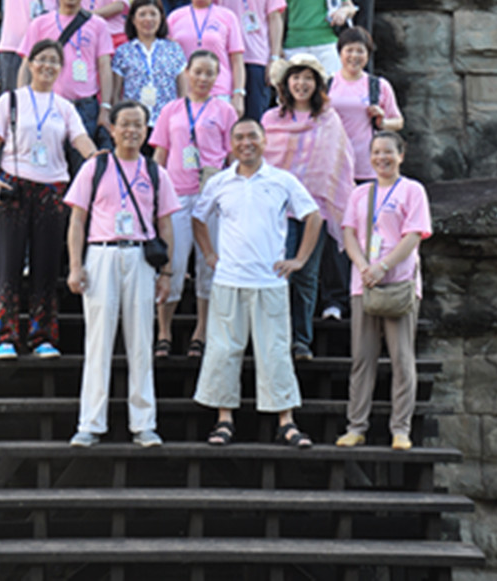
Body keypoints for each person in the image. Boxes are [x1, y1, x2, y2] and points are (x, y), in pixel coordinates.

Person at [192, 118, 321, 447]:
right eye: (239, 137)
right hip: (229, 279)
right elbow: (198, 218)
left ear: (264, 141)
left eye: (252, 136)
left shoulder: (282, 180)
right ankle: (224, 420)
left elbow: (313, 216)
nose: (246, 143)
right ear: (231, 144)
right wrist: (209, 253)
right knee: (223, 350)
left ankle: (286, 421)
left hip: (270, 280)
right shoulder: (220, 182)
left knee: (275, 351)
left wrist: (299, 260)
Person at [66, 101, 179, 448]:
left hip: (140, 257)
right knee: (98, 341)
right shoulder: (95, 167)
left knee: (141, 341)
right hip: (101, 253)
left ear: (147, 131)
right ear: (112, 129)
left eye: (138, 125)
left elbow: (166, 224)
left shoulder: (155, 172)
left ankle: (144, 423)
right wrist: (75, 265)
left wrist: (167, 272)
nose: (131, 131)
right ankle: (90, 423)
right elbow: (77, 220)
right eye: (125, 124)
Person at [0, 39, 97, 358]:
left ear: (61, 69)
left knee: (46, 265)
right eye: (42, 59)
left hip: (52, 189)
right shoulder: (10, 101)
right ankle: (5, 336)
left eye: (54, 61)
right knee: (9, 263)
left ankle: (42, 336)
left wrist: (97, 157)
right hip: (13, 185)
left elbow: (80, 139)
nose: (48, 65)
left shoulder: (64, 107)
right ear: (31, 64)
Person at [336, 131, 432, 451]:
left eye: (388, 152)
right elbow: (349, 233)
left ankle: (400, 428)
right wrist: (364, 266)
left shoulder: (412, 190)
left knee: (402, 358)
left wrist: (383, 266)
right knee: (362, 358)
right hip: (363, 283)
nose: (382, 158)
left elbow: (413, 235)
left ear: (401, 155)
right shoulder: (360, 193)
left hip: (399, 281)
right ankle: (356, 426)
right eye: (376, 152)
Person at [263, 55, 355, 358]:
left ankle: (301, 340)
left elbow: (338, 161)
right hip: (279, 209)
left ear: (316, 84)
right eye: (295, 77)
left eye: (307, 78)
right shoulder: (271, 119)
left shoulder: (328, 119)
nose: (301, 83)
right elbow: (264, 162)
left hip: (315, 209)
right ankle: (275, 339)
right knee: (279, 271)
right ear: (286, 83)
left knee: (307, 274)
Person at [150, 50, 237, 358]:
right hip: (176, 194)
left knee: (208, 264)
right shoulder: (171, 109)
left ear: (217, 77)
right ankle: (164, 330)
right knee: (172, 263)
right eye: (198, 71)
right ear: (187, 72)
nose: (203, 78)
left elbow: (232, 157)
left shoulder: (225, 110)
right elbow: (160, 154)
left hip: (210, 195)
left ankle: (202, 330)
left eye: (209, 73)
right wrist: (153, 194)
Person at [16, 0, 114, 156]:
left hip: (84, 106)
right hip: (48, 103)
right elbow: (26, 65)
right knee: (48, 161)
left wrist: (105, 107)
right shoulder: (40, 24)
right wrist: (23, 101)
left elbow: (104, 67)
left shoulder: (98, 25)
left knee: (82, 162)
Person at [167, 0, 246, 117]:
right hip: (184, 92)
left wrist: (238, 94)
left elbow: (237, 60)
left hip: (219, 90)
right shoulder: (174, 18)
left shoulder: (227, 16)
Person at [328, 27, 404, 184]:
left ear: (368, 55)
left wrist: (382, 122)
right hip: (332, 161)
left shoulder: (378, 85)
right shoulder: (327, 85)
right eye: (349, 50)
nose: (354, 56)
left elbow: (398, 121)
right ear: (340, 53)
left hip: (366, 162)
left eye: (360, 51)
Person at [111, 0, 187, 129]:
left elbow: (183, 91)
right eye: (142, 14)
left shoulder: (174, 49)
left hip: (167, 122)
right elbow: (116, 94)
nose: (148, 19)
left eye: (153, 14)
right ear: (133, 19)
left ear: (161, 18)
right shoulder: (123, 52)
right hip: (134, 125)